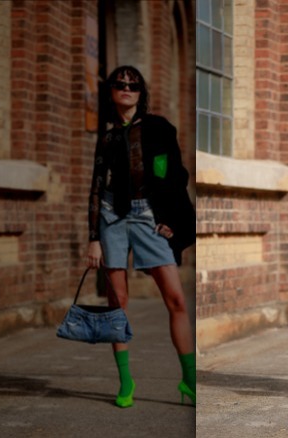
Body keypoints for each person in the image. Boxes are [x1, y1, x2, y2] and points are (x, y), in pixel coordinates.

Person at [87, 65, 196, 407]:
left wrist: (169, 217)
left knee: (176, 299)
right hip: (111, 216)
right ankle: (125, 382)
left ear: (141, 92)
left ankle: (190, 381)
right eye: (120, 84)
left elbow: (171, 174)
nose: (126, 88)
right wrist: (93, 236)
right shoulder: (105, 139)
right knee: (117, 303)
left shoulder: (158, 128)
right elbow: (95, 188)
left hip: (148, 214)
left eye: (133, 85)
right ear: (111, 92)